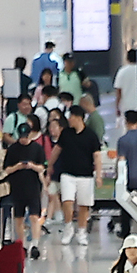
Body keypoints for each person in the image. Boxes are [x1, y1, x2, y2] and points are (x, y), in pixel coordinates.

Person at [51, 105, 102, 245]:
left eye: (71, 116)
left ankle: (81, 231)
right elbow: (57, 150)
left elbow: (97, 156)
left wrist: (99, 175)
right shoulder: (66, 133)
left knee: (83, 205)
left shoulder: (91, 135)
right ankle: (68, 228)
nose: (69, 119)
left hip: (85, 175)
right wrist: (49, 165)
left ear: (78, 117)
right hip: (68, 174)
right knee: (67, 201)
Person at [2, 122, 48, 259]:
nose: (23, 139)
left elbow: (42, 167)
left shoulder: (37, 149)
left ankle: (35, 243)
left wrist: (32, 166)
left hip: (33, 187)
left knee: (34, 216)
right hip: (17, 187)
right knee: (18, 218)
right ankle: (21, 244)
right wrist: (18, 166)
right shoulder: (13, 149)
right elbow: (7, 169)